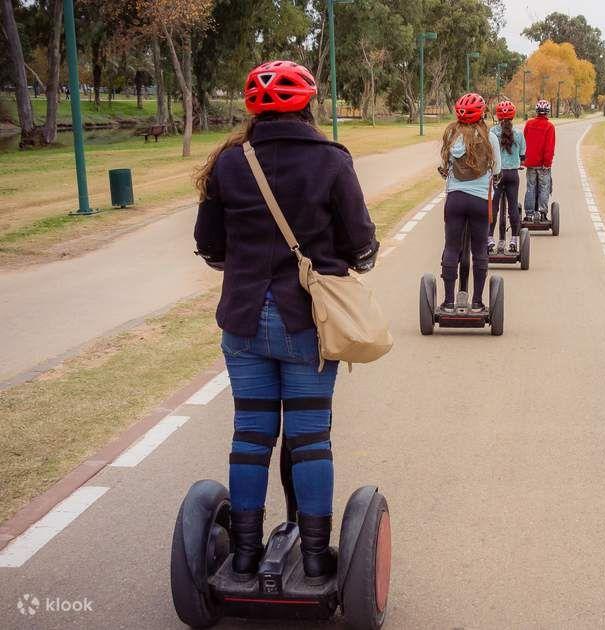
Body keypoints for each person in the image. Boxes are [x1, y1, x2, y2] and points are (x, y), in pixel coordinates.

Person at [193, 60, 378, 584]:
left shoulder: (228, 162)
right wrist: (355, 258)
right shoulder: (331, 159)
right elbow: (359, 241)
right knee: (310, 438)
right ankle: (317, 560)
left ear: (252, 111)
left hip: (243, 320)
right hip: (307, 323)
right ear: (309, 105)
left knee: (251, 436)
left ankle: (244, 556)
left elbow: (209, 245)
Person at [438, 93, 502, 313]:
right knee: (480, 250)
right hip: (480, 201)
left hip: (455, 199)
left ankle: (448, 302)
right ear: (482, 114)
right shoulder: (490, 138)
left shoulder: (451, 136)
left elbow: (444, 167)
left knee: (451, 248)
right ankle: (476, 303)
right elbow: (497, 169)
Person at [489, 99, 525, 253]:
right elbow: (523, 155)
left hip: (497, 174)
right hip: (512, 174)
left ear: (497, 116)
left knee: (493, 206)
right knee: (513, 207)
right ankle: (514, 239)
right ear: (513, 116)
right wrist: (518, 161)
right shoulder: (519, 134)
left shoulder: (492, 133)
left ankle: (489, 238)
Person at [522, 99, 556, 221]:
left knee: (530, 187)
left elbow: (524, 142)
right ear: (547, 112)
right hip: (543, 165)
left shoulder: (529, 124)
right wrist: (547, 163)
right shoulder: (549, 127)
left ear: (537, 111)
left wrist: (524, 158)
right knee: (544, 188)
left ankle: (529, 214)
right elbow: (549, 147)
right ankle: (542, 213)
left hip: (530, 163)